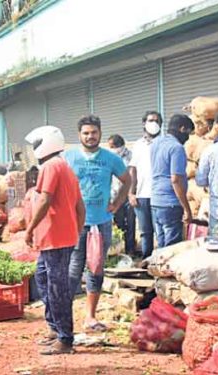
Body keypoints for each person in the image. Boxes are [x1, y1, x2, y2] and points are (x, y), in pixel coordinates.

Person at [64, 115, 131, 332]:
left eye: (93, 132)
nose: (90, 136)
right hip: (75, 224)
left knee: (96, 268)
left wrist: (117, 203)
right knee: (73, 271)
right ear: (79, 135)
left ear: (100, 133)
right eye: (85, 133)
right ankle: (65, 319)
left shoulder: (110, 158)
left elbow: (127, 180)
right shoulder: (69, 157)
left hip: (101, 223)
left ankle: (90, 317)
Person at [24, 126, 85, 355]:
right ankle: (54, 327)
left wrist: (29, 229)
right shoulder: (64, 167)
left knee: (56, 286)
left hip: (55, 239)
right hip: (58, 238)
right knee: (42, 278)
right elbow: (81, 207)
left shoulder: (51, 167)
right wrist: (75, 230)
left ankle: (65, 338)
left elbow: (45, 200)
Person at [150, 114, 194, 248]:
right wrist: (187, 208)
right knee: (172, 249)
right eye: (188, 133)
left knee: (161, 246)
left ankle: (156, 268)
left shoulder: (156, 143)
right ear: (182, 129)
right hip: (171, 204)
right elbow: (176, 180)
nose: (188, 138)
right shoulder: (176, 148)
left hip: (156, 201)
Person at [128, 111, 162, 260]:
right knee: (145, 231)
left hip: (159, 195)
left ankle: (161, 262)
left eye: (156, 121)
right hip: (142, 195)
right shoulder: (138, 145)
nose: (153, 123)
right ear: (144, 123)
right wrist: (131, 192)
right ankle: (147, 261)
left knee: (160, 231)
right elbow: (133, 170)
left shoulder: (164, 143)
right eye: (150, 120)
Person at [108, 134, 136, 255]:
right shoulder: (109, 157)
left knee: (130, 222)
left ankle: (130, 250)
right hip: (115, 195)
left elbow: (133, 174)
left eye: (112, 146)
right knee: (118, 223)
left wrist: (132, 192)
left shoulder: (130, 156)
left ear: (119, 145)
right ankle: (119, 250)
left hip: (128, 194)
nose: (112, 149)